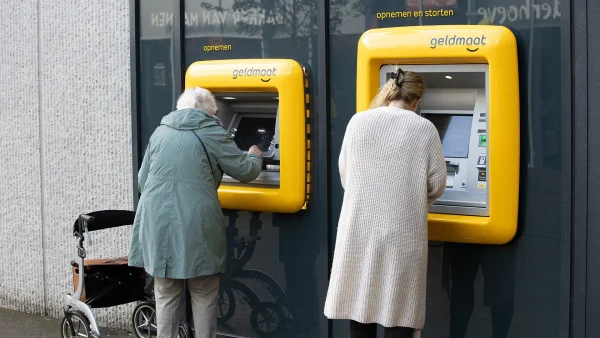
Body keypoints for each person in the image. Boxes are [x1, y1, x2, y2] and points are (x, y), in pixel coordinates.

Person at [128, 87, 264, 338]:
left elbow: (142, 180)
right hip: (195, 225)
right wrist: (256, 156)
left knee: (166, 295)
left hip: (157, 224)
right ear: (209, 112)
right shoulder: (211, 131)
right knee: (203, 293)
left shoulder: (161, 131)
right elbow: (245, 171)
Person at [324, 68, 447, 338]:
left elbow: (346, 173)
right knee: (399, 313)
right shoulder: (424, 129)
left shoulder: (358, 122)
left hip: (358, 230)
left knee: (361, 309)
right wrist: (410, 198)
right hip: (402, 234)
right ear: (417, 101)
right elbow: (437, 184)